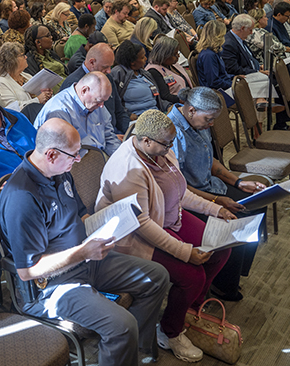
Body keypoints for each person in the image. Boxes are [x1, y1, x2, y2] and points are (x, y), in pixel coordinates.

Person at [0, 117, 170, 366]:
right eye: (74, 155)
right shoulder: (22, 198)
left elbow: (80, 212)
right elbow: (28, 271)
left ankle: (135, 352)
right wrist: (83, 252)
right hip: (50, 285)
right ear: (52, 154)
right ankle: (123, 346)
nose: (78, 160)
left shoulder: (60, 172)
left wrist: (110, 224)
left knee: (156, 276)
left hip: (85, 258)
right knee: (121, 325)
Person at [96, 109, 232, 362]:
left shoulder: (158, 149)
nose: (171, 148)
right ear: (146, 140)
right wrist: (185, 252)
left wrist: (216, 209)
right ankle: (170, 331)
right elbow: (142, 224)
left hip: (167, 217)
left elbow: (179, 191)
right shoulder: (129, 169)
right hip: (134, 237)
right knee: (192, 275)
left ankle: (188, 309)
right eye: (167, 144)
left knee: (221, 248)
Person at [167, 88, 266, 301]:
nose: (211, 124)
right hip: (188, 199)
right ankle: (223, 285)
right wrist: (216, 201)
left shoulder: (197, 122)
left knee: (257, 204)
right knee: (235, 224)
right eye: (209, 119)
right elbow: (178, 186)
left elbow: (208, 159)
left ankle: (233, 272)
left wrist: (239, 182)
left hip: (210, 187)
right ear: (191, 110)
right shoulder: (173, 134)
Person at [34, 71, 121, 155]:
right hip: (72, 163)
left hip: (99, 158)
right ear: (84, 91)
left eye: (104, 101)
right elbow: (58, 155)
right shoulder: (59, 111)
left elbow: (109, 137)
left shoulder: (96, 104)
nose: (102, 105)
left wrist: (121, 158)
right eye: (99, 100)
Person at [195, 20, 236, 104]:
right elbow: (214, 82)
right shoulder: (208, 55)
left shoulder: (214, 51)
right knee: (249, 94)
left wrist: (234, 77)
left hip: (222, 87)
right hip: (216, 93)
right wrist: (233, 84)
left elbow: (222, 74)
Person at [146, 36, 193, 105]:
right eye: (174, 54)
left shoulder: (172, 64)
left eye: (177, 53)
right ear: (164, 55)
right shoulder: (153, 71)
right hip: (175, 105)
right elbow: (165, 96)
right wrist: (186, 101)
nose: (178, 56)